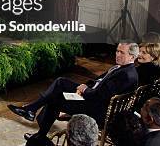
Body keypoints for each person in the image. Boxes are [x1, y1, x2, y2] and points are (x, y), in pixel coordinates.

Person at [8, 42, 139, 142]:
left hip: (96, 109)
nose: (117, 54)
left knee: (55, 98)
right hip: (93, 97)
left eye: (122, 52)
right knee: (60, 83)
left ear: (132, 56)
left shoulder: (126, 75)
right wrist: (85, 86)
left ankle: (36, 126)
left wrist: (85, 91)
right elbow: (99, 81)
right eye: (117, 51)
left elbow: (101, 96)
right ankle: (32, 112)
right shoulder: (122, 69)